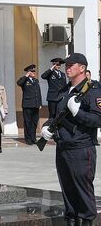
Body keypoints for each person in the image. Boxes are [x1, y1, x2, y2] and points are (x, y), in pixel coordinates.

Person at [40, 53, 101, 226]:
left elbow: (98, 120)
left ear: (82, 68)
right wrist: (47, 126)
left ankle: (88, 222)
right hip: (63, 147)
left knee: (82, 190)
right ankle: (71, 220)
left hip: (81, 148)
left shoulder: (92, 90)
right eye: (66, 65)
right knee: (67, 190)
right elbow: (55, 115)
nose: (67, 67)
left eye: (71, 65)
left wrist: (78, 113)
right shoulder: (64, 90)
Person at [17, 64, 42, 145]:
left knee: (34, 122)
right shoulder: (24, 80)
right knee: (27, 122)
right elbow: (19, 83)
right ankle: (28, 139)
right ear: (28, 72)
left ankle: (33, 138)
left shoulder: (36, 80)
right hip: (27, 105)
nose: (34, 72)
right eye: (32, 71)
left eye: (34, 71)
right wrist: (26, 76)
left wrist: (40, 103)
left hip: (35, 105)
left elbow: (38, 93)